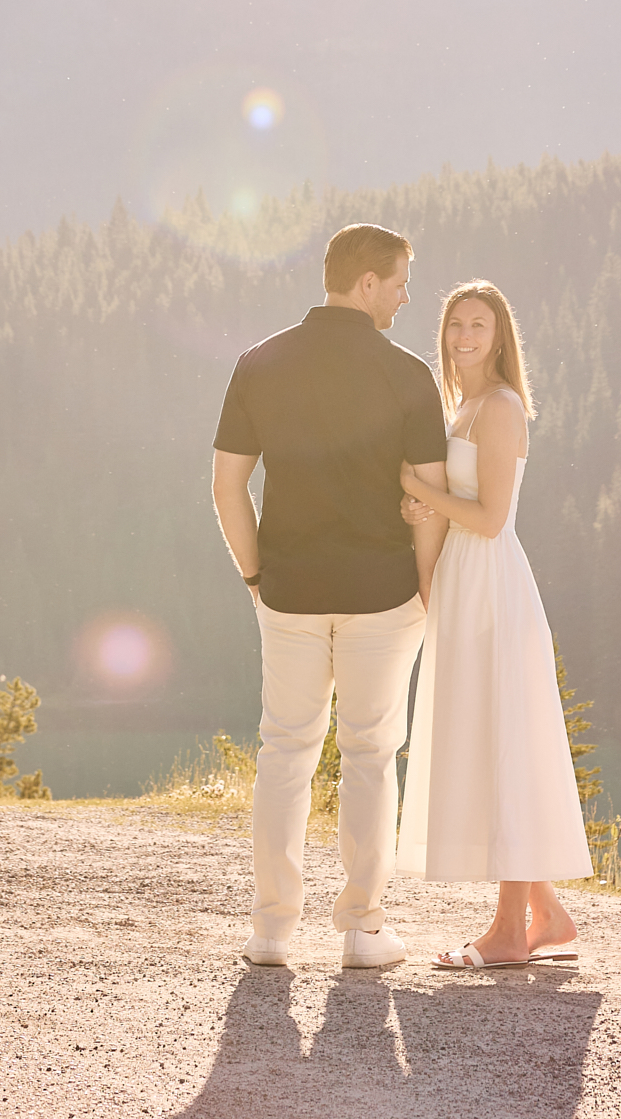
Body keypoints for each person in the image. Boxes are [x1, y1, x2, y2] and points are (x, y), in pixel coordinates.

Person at [211, 222, 450, 970]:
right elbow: (432, 498)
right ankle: (361, 930)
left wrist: (257, 578)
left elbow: (227, 488)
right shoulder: (408, 374)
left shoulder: (260, 362)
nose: (406, 297)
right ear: (367, 283)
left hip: (289, 590)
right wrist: (426, 590)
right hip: (382, 593)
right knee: (371, 754)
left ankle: (272, 932)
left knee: (285, 752)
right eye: (401, 282)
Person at [395, 279, 593, 966]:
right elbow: (458, 504)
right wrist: (427, 507)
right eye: (455, 326)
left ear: (499, 336)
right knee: (488, 739)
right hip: (464, 584)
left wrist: (419, 490)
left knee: (505, 745)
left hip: (492, 585)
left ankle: (510, 933)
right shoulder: (465, 408)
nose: (464, 337)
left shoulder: (501, 407)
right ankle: (550, 918)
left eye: (478, 325)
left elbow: (490, 518)